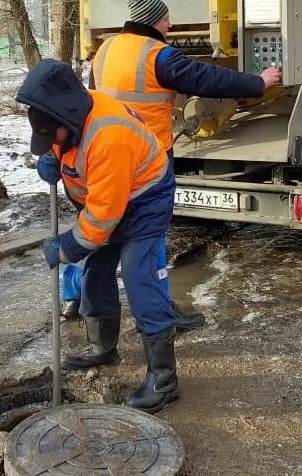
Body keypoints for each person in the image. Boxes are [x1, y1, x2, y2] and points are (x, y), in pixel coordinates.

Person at [89, 0, 283, 330]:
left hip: (108, 158)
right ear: (152, 21)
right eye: (166, 19)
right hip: (148, 163)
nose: (171, 25)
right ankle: (161, 318)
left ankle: (96, 330)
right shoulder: (156, 55)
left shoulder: (105, 50)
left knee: (103, 246)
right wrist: (259, 82)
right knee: (148, 244)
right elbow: (206, 78)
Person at [17, 59, 180, 414]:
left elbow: (104, 215)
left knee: (140, 278)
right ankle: (102, 346)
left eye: (52, 136)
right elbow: (72, 152)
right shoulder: (68, 110)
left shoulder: (109, 136)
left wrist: (67, 247)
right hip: (109, 198)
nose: (50, 142)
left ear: (67, 119)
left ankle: (164, 378)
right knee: (95, 270)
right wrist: (55, 159)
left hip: (145, 201)